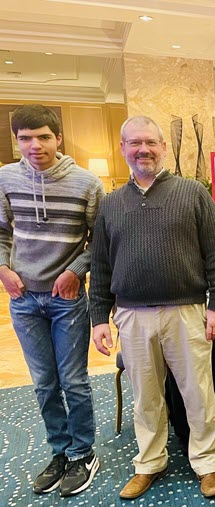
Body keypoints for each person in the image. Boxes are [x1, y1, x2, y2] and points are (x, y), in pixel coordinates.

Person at [89, 116, 215, 500]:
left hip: (186, 311)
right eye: (134, 143)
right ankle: (150, 462)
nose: (143, 150)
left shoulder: (192, 193)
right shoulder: (111, 204)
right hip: (131, 315)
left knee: (198, 392)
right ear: (122, 149)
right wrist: (98, 318)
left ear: (164, 147)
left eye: (150, 142)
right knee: (145, 396)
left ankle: (207, 464)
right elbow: (100, 264)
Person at [0, 104, 104, 497]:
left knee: (74, 382)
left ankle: (83, 454)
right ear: (17, 140)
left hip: (67, 299)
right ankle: (59, 451)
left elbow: (100, 242)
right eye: (25, 138)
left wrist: (75, 270)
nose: (34, 145)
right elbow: (1, 233)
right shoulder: (5, 179)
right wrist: (3, 269)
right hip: (24, 298)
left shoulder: (86, 183)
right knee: (44, 383)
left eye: (43, 137)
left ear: (58, 138)